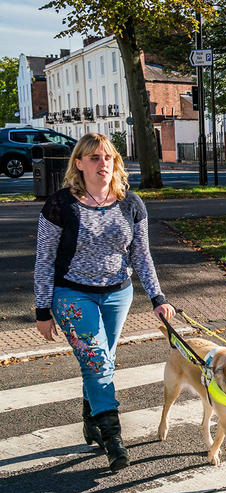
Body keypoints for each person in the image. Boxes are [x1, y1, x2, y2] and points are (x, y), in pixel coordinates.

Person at [33, 133, 176, 472]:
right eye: (95, 158)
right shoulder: (60, 205)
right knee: (97, 362)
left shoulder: (131, 203)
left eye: (108, 157)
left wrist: (158, 297)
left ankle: (91, 420)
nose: (103, 164)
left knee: (101, 361)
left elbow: (142, 256)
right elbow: (43, 260)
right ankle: (113, 439)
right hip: (71, 294)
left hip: (118, 293)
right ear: (79, 164)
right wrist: (42, 310)